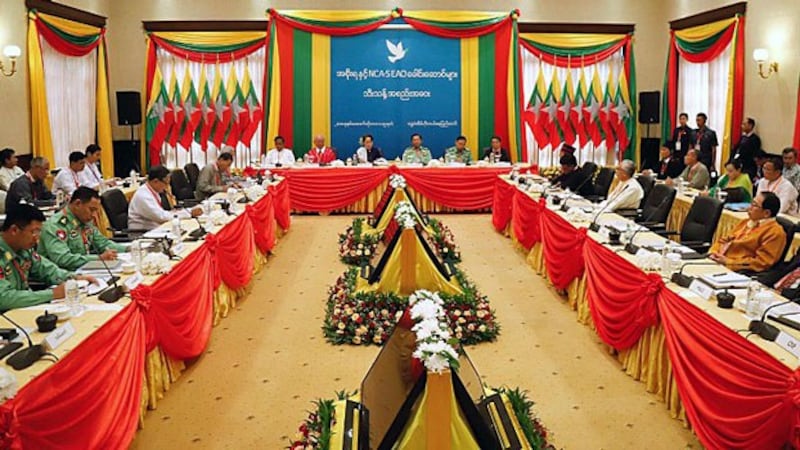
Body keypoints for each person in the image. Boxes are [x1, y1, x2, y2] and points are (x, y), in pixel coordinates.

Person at [0, 204, 96, 310]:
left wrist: (74, 278)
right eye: (34, 232)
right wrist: (52, 294)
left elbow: (47, 270)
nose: (37, 239)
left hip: (21, 310)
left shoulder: (23, 249)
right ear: (14, 230)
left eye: (39, 232)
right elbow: (3, 299)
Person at [38, 187, 126, 271]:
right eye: (92, 210)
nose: (94, 215)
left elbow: (102, 243)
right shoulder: (55, 226)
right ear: (77, 204)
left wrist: (129, 249)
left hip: (86, 270)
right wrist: (98, 258)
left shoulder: (84, 220)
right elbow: (62, 259)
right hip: (63, 277)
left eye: (96, 211)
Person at [708, 192, 786, 272]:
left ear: (766, 213)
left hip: (736, 270)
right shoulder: (746, 222)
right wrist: (713, 252)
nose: (749, 207)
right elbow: (724, 240)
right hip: (717, 261)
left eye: (754, 205)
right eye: (751, 203)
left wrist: (728, 262)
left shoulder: (775, 233)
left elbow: (761, 262)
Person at [128, 166, 202, 231]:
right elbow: (161, 217)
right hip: (143, 233)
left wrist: (189, 211)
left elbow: (163, 213)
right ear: (155, 181)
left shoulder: (153, 191)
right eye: (166, 183)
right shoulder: (143, 196)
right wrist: (189, 213)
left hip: (156, 228)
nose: (167, 187)